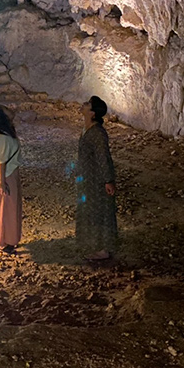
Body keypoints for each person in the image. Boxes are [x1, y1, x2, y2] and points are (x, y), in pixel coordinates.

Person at [75, 95, 117, 261]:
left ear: (92, 113)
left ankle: (103, 249)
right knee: (91, 211)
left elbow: (103, 157)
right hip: (88, 179)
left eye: (87, 104)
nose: (83, 104)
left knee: (100, 212)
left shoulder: (98, 134)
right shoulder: (87, 129)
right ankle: (94, 244)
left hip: (97, 180)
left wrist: (108, 180)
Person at [0, 103, 22, 254]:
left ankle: (6, 240)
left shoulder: (5, 134)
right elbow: (0, 161)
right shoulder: (4, 137)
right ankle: (3, 242)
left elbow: (13, 114)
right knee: (5, 210)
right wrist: (2, 182)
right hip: (6, 176)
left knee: (7, 209)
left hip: (9, 175)